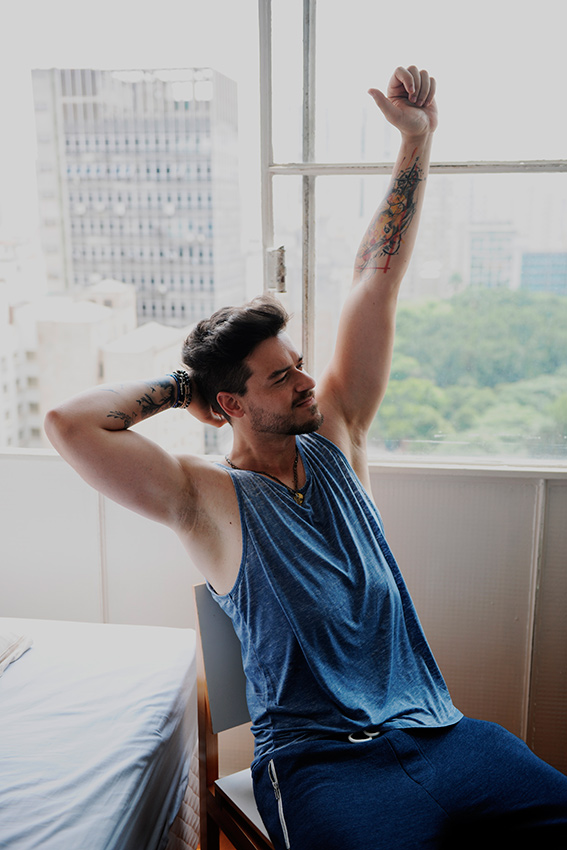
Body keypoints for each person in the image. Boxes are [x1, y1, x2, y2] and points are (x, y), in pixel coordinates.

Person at [45, 66, 567, 848]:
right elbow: (68, 422)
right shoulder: (204, 498)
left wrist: (415, 142)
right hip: (321, 765)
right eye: (279, 377)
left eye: (297, 364)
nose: (304, 381)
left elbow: (373, 281)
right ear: (229, 404)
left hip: (442, 733)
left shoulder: (337, 436)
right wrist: (184, 385)